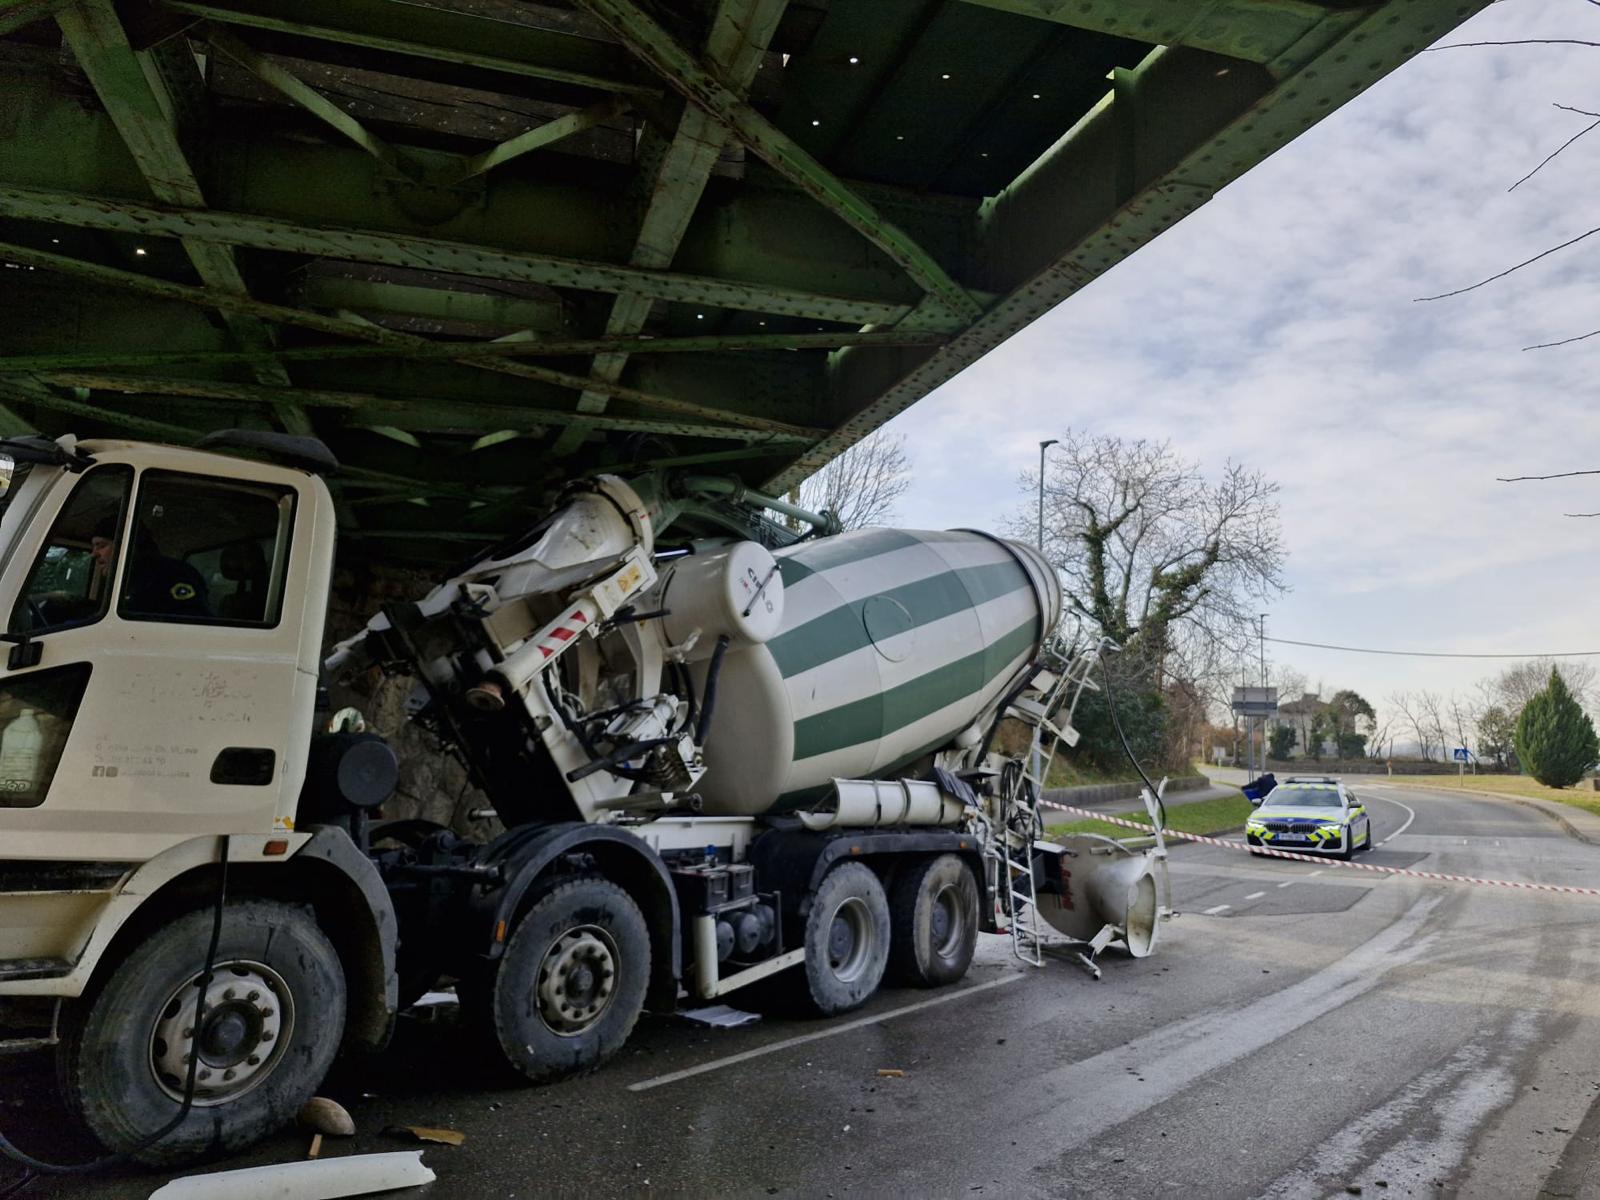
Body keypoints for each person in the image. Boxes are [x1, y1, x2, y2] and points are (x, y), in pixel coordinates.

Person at [91, 517, 210, 618]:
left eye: (101, 545)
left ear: (127, 545)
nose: (94, 554)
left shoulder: (172, 575)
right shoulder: (130, 581)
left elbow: (190, 626)